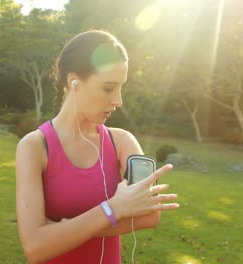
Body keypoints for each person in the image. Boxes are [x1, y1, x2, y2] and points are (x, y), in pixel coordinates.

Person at [15, 30, 180, 264]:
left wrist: (62, 230)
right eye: (108, 88)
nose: (118, 101)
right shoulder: (34, 147)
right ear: (74, 82)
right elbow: (35, 247)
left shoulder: (122, 142)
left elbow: (150, 215)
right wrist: (114, 209)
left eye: (121, 87)